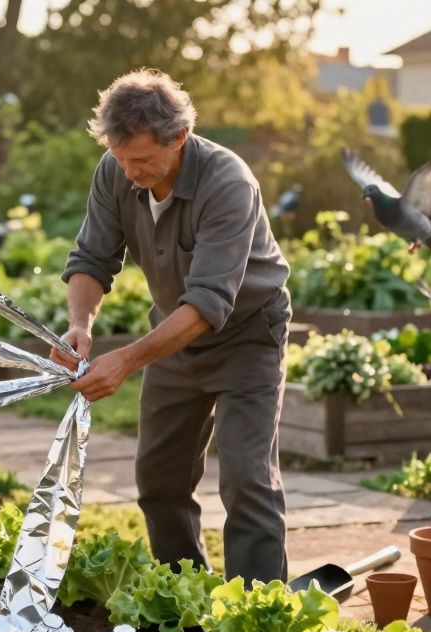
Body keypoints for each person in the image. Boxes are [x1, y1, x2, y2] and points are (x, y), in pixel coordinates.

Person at [52, 69, 292, 584]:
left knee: (248, 480)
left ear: (179, 137)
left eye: (141, 159)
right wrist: (80, 325)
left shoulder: (227, 182)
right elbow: (92, 259)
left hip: (247, 337)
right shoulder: (116, 170)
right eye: (120, 158)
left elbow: (208, 303)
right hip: (174, 336)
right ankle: (186, 597)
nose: (129, 171)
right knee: (160, 478)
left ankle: (260, 612)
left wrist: (126, 360)